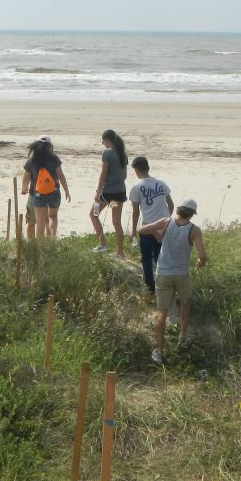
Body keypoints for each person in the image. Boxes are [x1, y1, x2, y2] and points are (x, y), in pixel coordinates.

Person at [137, 198, 207, 364]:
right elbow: (202, 255)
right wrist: (200, 262)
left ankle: (158, 351)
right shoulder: (194, 230)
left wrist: (153, 229)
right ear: (192, 214)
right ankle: (182, 336)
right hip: (181, 274)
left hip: (162, 274)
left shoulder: (166, 222)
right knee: (186, 302)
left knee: (162, 312)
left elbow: (141, 230)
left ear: (178, 210)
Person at [128, 155, 174, 294]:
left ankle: (150, 287)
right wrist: (166, 221)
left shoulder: (136, 187)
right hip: (164, 228)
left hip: (148, 228)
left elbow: (135, 211)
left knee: (146, 259)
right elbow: (171, 204)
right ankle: (165, 286)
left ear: (136, 170)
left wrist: (133, 231)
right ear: (148, 167)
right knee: (161, 258)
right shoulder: (162, 183)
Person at [21, 135, 70, 238]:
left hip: (37, 193)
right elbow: (61, 176)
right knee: (52, 217)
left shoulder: (32, 160)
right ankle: (51, 240)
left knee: (40, 222)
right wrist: (66, 191)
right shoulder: (54, 159)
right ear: (49, 146)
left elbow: (26, 178)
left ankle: (39, 247)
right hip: (54, 191)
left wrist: (24, 189)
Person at [90, 129, 129, 258]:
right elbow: (124, 175)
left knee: (93, 214)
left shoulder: (108, 153)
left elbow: (103, 173)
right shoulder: (122, 153)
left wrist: (98, 191)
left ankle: (103, 244)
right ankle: (120, 252)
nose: (103, 143)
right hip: (119, 193)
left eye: (103, 141)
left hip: (107, 194)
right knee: (116, 222)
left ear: (107, 140)